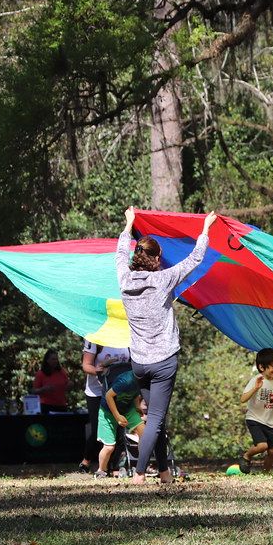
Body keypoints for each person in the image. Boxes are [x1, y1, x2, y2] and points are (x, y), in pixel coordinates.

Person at [117, 207, 217, 484]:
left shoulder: (124, 279)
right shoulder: (163, 279)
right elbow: (195, 259)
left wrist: (129, 225)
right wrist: (206, 229)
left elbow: (119, 252)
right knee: (157, 417)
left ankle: (164, 473)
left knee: (157, 419)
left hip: (139, 362)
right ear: (157, 258)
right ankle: (139, 474)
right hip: (163, 361)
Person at [79, 340, 131, 473]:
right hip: (96, 392)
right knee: (98, 428)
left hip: (118, 391)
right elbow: (86, 365)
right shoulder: (95, 338)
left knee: (120, 428)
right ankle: (86, 460)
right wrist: (98, 370)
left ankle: (112, 466)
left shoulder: (126, 335)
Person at [238, 348, 273, 474]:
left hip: (269, 422)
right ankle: (246, 456)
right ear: (261, 367)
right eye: (272, 366)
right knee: (262, 446)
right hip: (254, 419)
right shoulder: (257, 380)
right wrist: (255, 388)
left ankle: (265, 473)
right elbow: (243, 399)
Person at [95, 367, 145, 478]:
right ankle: (101, 471)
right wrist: (117, 416)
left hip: (127, 408)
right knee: (109, 447)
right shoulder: (126, 380)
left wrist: (137, 407)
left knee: (145, 437)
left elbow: (136, 393)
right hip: (108, 411)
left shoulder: (143, 380)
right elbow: (109, 396)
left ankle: (141, 467)